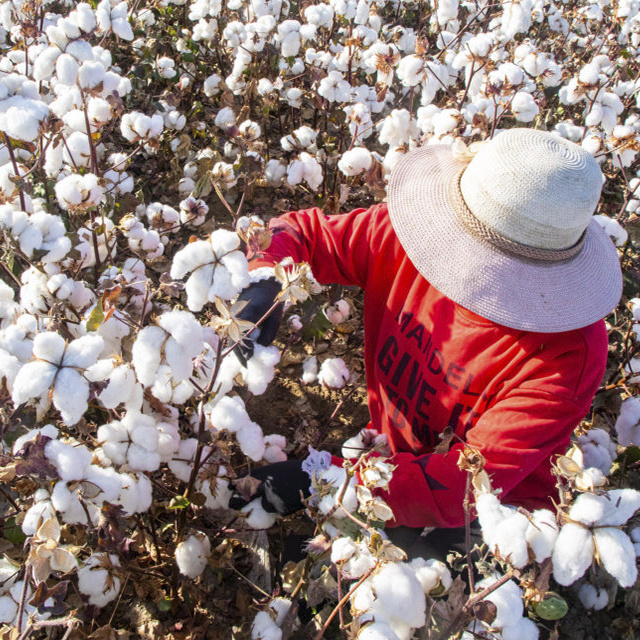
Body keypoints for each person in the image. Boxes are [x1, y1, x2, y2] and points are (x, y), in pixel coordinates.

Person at [229, 128, 623, 559]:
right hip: (392, 457)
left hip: (497, 508)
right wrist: (264, 277)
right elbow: (304, 233)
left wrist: (323, 479)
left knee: (416, 586)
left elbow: (464, 487)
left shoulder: (566, 356)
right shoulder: (411, 237)